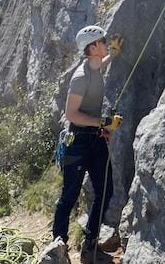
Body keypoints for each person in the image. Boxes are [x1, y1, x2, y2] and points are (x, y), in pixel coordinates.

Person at [52, 25, 123, 263]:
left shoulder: (95, 65)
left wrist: (112, 53)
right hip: (78, 141)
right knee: (69, 196)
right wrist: (102, 121)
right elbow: (71, 114)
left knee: (106, 190)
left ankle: (89, 246)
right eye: (102, 41)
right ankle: (57, 249)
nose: (105, 43)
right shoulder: (80, 78)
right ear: (92, 47)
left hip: (95, 138)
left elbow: (100, 63)